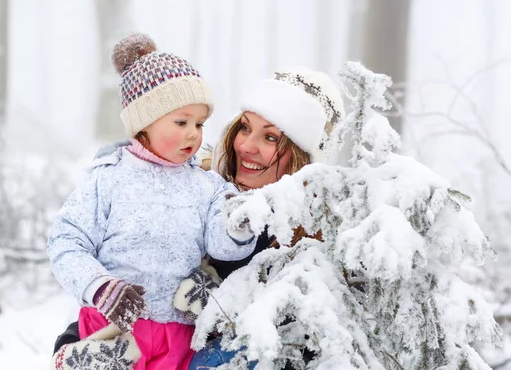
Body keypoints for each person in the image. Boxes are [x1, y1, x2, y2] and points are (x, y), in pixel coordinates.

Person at [47, 33, 258, 370]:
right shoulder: (108, 179)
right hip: (113, 330)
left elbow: (222, 248)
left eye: (199, 123)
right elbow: (65, 242)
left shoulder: (207, 186)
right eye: (181, 122)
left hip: (178, 336)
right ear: (144, 120)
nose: (193, 133)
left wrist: (239, 225)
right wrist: (100, 287)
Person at [175, 67, 345, 369]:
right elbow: (137, 265)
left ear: (303, 158)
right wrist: (76, 337)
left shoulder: (309, 248)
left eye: (270, 137)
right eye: (244, 127)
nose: (245, 146)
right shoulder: (197, 190)